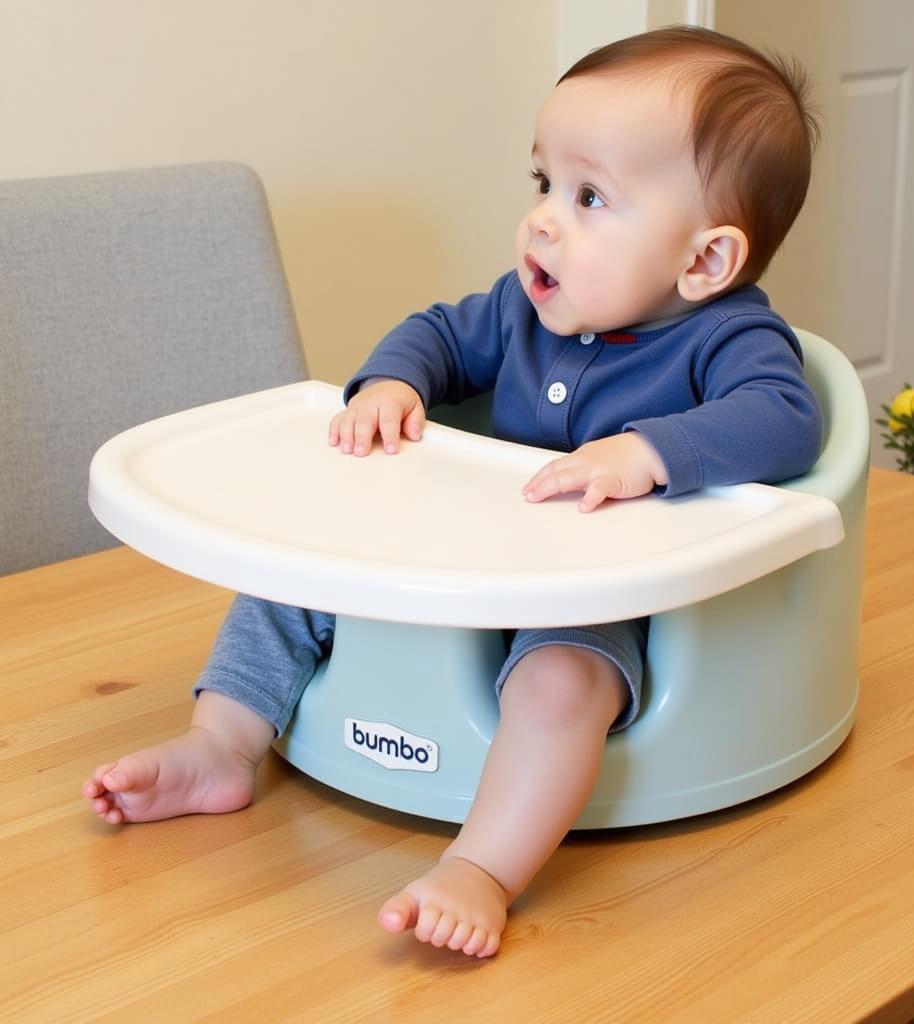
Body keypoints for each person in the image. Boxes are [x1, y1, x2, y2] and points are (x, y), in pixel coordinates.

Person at [84, 26, 822, 959]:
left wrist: (649, 451)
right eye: (543, 182)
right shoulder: (522, 313)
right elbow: (433, 333)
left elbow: (787, 420)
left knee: (565, 683)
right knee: (293, 576)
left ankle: (482, 865)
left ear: (706, 263)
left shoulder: (731, 342)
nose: (545, 218)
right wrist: (392, 384)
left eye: (591, 196)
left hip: (590, 592)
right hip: (459, 556)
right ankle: (221, 744)